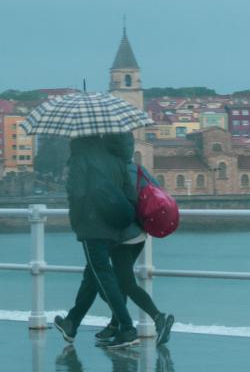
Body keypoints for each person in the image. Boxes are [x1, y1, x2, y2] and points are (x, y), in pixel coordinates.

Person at [53, 133, 144, 348]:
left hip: (92, 225)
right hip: (115, 225)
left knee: (102, 273)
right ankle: (72, 322)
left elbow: (77, 193)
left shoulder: (80, 158)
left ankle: (127, 327)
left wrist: (77, 221)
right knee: (92, 275)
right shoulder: (116, 158)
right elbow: (130, 193)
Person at [92, 133, 174, 345]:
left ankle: (158, 317)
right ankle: (116, 324)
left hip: (121, 236)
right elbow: (158, 192)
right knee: (121, 281)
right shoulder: (139, 169)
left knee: (119, 283)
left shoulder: (109, 172)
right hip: (140, 234)